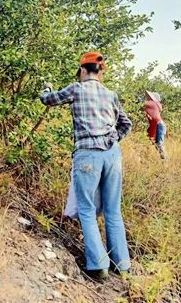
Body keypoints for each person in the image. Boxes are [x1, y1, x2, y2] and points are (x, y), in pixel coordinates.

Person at [40, 52, 132, 281]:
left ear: (82, 70)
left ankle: (98, 266)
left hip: (88, 155)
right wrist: (113, 139)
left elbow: (48, 100)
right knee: (113, 210)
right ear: (100, 72)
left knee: (87, 209)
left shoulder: (76, 89)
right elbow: (126, 124)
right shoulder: (111, 95)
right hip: (112, 155)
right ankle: (122, 265)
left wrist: (46, 88)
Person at [144, 90, 167, 159]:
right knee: (154, 143)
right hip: (159, 125)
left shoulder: (153, 104)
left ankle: (165, 161)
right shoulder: (154, 106)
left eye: (149, 97)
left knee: (159, 144)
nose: (147, 98)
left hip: (159, 125)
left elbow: (141, 105)